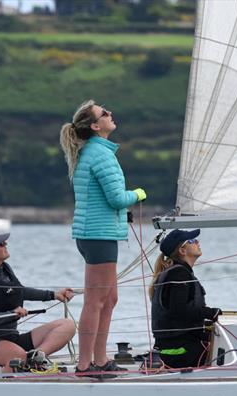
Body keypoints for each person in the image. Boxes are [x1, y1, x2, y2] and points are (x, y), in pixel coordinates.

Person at [59, 100, 146, 375]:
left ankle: (100, 358)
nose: (110, 113)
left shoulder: (95, 152)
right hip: (98, 236)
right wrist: (140, 194)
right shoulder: (101, 154)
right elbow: (117, 198)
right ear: (96, 126)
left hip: (97, 235)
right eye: (104, 113)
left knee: (109, 300)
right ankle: (85, 364)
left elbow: (104, 199)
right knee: (96, 301)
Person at [0, 230, 76, 372]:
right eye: (1, 243)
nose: (6, 244)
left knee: (67, 326)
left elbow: (20, 291)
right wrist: (11, 314)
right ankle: (16, 374)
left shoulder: (5, 269)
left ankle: (36, 357)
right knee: (17, 356)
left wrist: (54, 295)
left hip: (11, 338)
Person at [149, 229, 221, 369]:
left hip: (174, 347)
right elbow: (180, 310)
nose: (198, 242)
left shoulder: (176, 272)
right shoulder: (179, 274)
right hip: (181, 352)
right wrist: (211, 313)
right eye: (192, 241)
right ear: (182, 251)